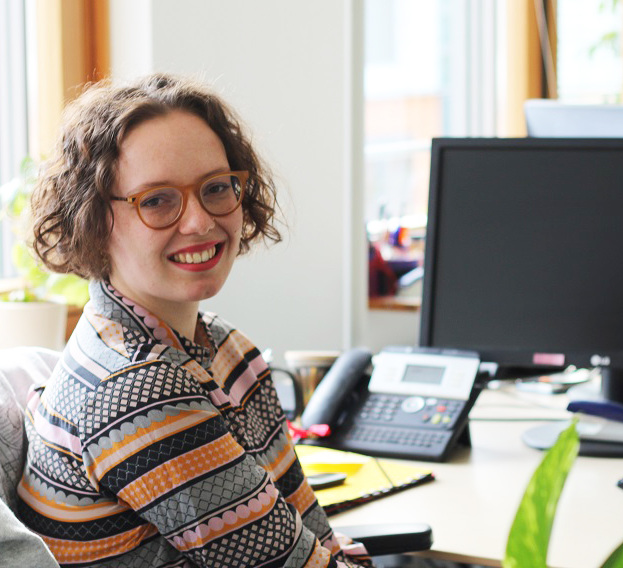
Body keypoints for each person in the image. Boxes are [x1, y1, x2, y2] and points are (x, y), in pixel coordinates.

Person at [17, 73, 371, 568]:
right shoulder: (134, 389)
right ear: (93, 219)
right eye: (157, 200)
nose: (200, 222)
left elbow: (312, 538)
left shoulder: (228, 350)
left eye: (216, 188)